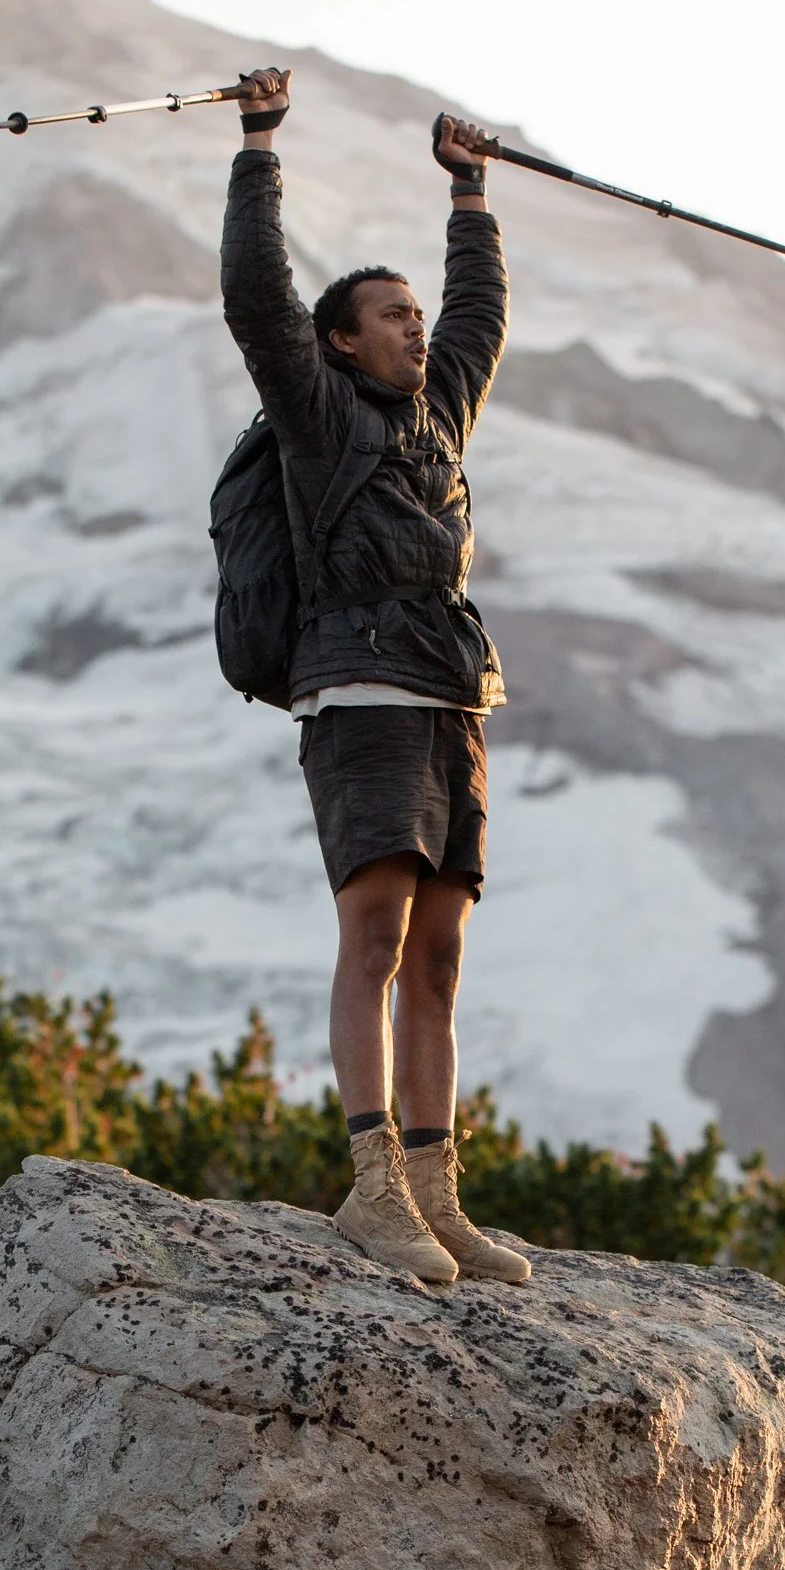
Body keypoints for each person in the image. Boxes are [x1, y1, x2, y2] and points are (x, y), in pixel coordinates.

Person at [220, 64, 530, 1288]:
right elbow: (256, 297)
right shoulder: (314, 411)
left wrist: (471, 196)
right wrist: (258, 147)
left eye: (412, 311)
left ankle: (438, 1191)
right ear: (342, 340)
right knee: (378, 935)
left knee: (443, 952)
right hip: (361, 693)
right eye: (389, 314)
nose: (413, 326)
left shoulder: (439, 415)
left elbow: (479, 322)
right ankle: (371, 1186)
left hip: (454, 694)